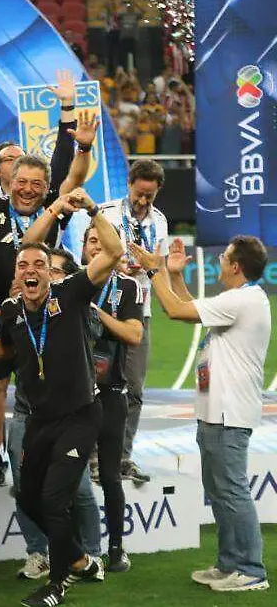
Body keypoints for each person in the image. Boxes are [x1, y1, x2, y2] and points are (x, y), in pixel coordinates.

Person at [0, 193, 124, 607]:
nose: (30, 270)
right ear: (16, 273)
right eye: (23, 265)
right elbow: (4, 349)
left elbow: (114, 252)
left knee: (52, 499)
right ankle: (80, 559)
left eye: (38, 265)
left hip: (80, 415)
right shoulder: (12, 311)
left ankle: (57, 583)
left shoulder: (71, 293)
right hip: (40, 420)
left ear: (49, 272)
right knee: (28, 498)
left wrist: (93, 211)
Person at [132, 236, 271, 593]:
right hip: (216, 412)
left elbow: (176, 311)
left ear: (235, 266)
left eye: (224, 257)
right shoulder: (240, 299)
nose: (220, 260)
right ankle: (229, 564)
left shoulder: (242, 300)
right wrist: (176, 276)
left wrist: (155, 270)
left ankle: (251, 570)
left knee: (232, 491)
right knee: (221, 491)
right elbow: (191, 309)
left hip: (228, 414)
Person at [0, 103, 94, 487]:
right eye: (21, 181)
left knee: (41, 382)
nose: (28, 189)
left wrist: (83, 148)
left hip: (44, 314)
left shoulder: (55, 207)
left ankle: (48, 446)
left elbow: (74, 177)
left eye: (37, 184)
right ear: (9, 180)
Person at [68, 230, 144, 573]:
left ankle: (116, 548)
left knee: (111, 476)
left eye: (102, 240)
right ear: (84, 248)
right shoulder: (71, 282)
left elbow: (134, 334)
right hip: (75, 395)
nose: (96, 246)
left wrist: (98, 313)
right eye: (91, 241)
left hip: (111, 392)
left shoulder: (127, 286)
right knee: (71, 473)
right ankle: (77, 549)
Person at [98, 158, 170, 484]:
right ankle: (92, 458)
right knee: (96, 386)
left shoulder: (160, 221)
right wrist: (116, 265)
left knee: (134, 389)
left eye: (149, 196)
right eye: (138, 194)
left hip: (139, 311)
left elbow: (160, 265)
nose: (142, 201)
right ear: (128, 184)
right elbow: (88, 254)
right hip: (103, 306)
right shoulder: (107, 213)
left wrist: (152, 267)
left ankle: (122, 457)